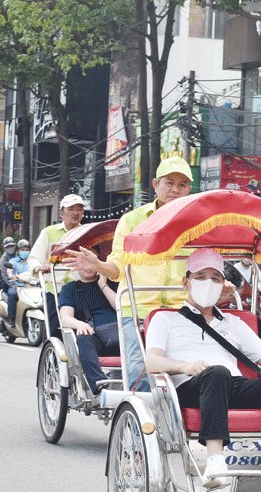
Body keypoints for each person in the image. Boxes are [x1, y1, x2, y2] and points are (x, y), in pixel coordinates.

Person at [145, 248, 261, 488]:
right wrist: (185, 366)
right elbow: (152, 361)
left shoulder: (232, 322)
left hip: (231, 385)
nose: (208, 282)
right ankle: (216, 460)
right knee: (217, 372)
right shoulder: (165, 319)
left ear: (222, 285)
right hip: (190, 386)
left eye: (215, 278)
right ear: (186, 282)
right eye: (200, 277)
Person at [64, 157, 196, 392]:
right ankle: (140, 426)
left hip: (180, 310)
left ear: (190, 189)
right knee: (139, 373)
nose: (176, 189)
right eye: (170, 182)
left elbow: (202, 268)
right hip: (138, 309)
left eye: (183, 184)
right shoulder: (132, 220)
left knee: (185, 371)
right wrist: (98, 265)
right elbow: (116, 268)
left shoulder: (195, 224)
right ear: (156, 184)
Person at [59, 255, 119, 399]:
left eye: (91, 261)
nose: (87, 266)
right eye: (83, 261)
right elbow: (65, 318)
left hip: (120, 334)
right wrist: (79, 324)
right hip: (94, 336)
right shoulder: (70, 289)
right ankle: (100, 385)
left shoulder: (113, 284)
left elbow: (122, 308)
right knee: (83, 336)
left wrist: (103, 285)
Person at [28, 194, 87, 336]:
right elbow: (34, 258)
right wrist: (38, 267)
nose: (75, 212)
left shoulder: (87, 232)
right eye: (71, 209)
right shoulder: (49, 232)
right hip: (55, 289)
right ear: (62, 213)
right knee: (55, 331)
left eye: (79, 209)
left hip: (81, 289)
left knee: (83, 330)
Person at [6, 239, 30, 325]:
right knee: (12, 294)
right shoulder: (13, 261)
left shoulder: (32, 261)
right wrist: (11, 275)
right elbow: (9, 270)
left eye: (27, 250)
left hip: (30, 287)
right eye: (22, 250)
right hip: (16, 286)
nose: (25, 252)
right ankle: (11, 318)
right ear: (18, 251)